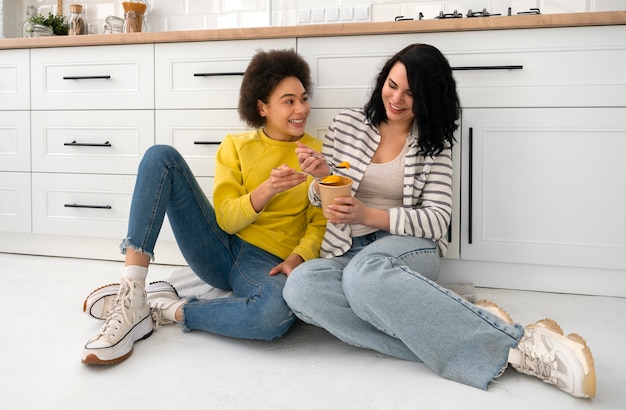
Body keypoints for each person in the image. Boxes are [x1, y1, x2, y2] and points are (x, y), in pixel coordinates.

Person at [283, 44, 596, 398]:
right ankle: (456, 316)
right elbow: (322, 199)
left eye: (412, 93)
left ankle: (518, 346)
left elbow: (437, 220)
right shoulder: (347, 124)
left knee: (363, 277)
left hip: (407, 249)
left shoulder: (433, 142)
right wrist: (322, 177)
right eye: (392, 85)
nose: (397, 99)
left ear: (429, 97)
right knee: (301, 289)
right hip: (346, 247)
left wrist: (369, 214)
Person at [81, 49, 327, 365]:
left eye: (304, 99)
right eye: (289, 101)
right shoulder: (236, 146)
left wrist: (299, 256)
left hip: (265, 264)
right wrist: (268, 189)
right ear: (262, 107)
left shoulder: (317, 153)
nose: (301, 109)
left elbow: (319, 222)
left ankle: (163, 309)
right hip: (218, 247)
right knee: (160, 156)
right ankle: (132, 292)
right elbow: (225, 218)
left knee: (273, 315)